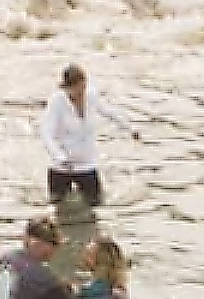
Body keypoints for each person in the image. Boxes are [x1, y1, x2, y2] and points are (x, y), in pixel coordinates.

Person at [39, 63, 137, 207]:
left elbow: (109, 112)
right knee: (59, 207)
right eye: (77, 90)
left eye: (83, 88)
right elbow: (47, 133)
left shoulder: (90, 95)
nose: (81, 93)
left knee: (96, 203)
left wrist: (130, 128)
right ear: (67, 88)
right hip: (61, 167)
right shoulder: (56, 102)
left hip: (86, 164)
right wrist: (60, 157)